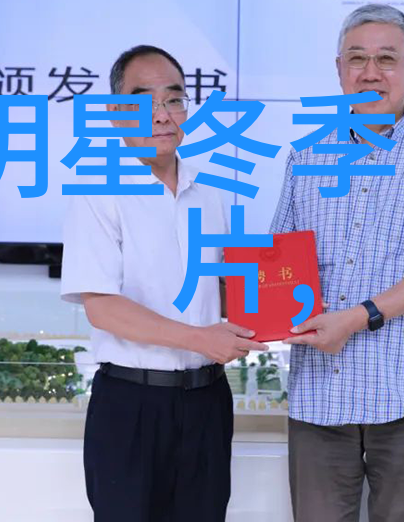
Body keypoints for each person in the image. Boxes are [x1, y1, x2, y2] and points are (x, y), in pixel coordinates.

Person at [271, 5, 404, 521]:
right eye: (357, 59)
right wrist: (250, 312)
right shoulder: (307, 155)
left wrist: (355, 318)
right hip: (320, 394)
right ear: (339, 70)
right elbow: (281, 264)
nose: (370, 73)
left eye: (387, 59)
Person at [61, 44, 267, 522]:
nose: (162, 114)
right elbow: (101, 306)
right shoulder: (97, 191)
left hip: (207, 401)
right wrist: (200, 338)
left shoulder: (212, 194)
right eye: (144, 101)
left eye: (173, 99)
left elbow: (227, 293)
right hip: (131, 405)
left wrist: (284, 311)